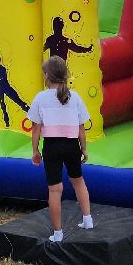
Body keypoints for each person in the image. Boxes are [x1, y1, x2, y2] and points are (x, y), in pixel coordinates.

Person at [29, 56, 94, 243]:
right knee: (78, 181)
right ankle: (87, 219)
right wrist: (84, 149)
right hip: (72, 145)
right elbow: (81, 128)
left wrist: (35, 150)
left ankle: (58, 233)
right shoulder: (75, 97)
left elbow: (36, 129)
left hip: (52, 146)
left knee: (55, 190)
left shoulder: (40, 98)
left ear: (46, 75)